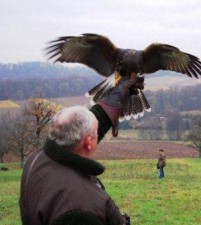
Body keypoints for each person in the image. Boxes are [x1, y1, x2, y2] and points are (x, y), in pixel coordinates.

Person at [19, 75, 143, 225]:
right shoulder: (78, 211)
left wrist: (120, 92)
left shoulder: (38, 159)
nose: (99, 131)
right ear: (88, 143)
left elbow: (96, 120)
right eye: (96, 133)